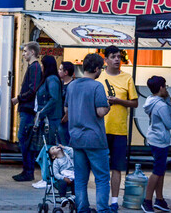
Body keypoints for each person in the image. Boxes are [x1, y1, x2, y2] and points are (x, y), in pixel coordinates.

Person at [65, 53, 111, 213]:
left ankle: (82, 208)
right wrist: (108, 105)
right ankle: (103, 209)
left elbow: (66, 110)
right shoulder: (97, 86)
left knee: (81, 178)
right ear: (97, 68)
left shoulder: (71, 86)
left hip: (76, 137)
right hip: (95, 138)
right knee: (102, 177)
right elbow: (100, 111)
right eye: (102, 68)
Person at [97, 45, 138, 212]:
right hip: (101, 129)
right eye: (113, 57)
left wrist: (119, 101)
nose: (116, 60)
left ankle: (114, 201)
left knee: (117, 167)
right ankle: (101, 201)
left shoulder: (127, 78)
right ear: (105, 59)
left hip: (119, 130)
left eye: (118, 57)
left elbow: (135, 103)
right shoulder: (98, 78)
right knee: (101, 168)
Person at [141, 76, 171, 213]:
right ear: (161, 88)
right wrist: (168, 101)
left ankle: (159, 199)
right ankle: (147, 201)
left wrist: (166, 99)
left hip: (154, 137)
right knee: (157, 171)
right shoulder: (160, 105)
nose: (166, 89)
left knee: (161, 170)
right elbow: (169, 124)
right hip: (160, 140)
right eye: (165, 86)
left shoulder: (151, 101)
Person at [12, 41, 42, 182]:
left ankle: (28, 170)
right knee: (24, 139)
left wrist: (19, 98)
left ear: (32, 52)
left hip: (28, 109)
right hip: (27, 108)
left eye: (25, 51)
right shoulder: (33, 67)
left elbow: (33, 89)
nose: (23, 54)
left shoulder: (35, 68)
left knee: (24, 138)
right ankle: (27, 169)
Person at [35, 55, 63, 145]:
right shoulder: (50, 79)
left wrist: (42, 112)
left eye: (42, 64)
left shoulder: (52, 79)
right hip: (49, 118)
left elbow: (54, 98)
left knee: (49, 147)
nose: (41, 66)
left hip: (51, 119)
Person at [57, 61, 74, 146]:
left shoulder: (72, 85)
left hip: (66, 120)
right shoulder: (60, 84)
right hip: (59, 118)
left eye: (60, 69)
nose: (58, 71)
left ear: (66, 72)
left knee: (65, 144)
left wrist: (65, 117)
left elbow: (72, 103)